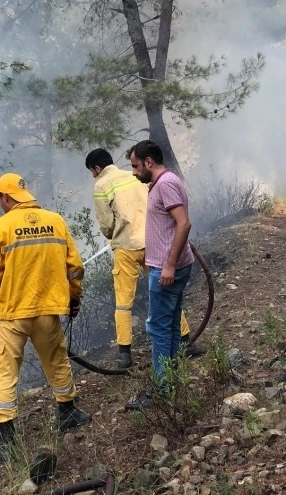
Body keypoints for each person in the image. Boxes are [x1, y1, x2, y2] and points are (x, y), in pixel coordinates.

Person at [0, 172, 92, 462]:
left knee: (6, 372)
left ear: (5, 197)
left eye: (0, 199)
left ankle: (5, 440)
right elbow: (75, 267)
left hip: (13, 314)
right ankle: (67, 412)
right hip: (48, 311)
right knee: (57, 361)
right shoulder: (55, 221)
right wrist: (73, 299)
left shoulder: (0, 228)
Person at [85, 148, 204, 369]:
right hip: (153, 243)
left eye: (93, 172)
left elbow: (106, 225)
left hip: (127, 247)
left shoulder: (101, 185)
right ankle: (185, 341)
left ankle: (124, 354)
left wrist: (114, 234)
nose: (93, 175)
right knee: (167, 295)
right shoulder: (135, 176)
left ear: (97, 168)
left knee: (123, 301)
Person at [124, 140, 196, 411]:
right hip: (169, 265)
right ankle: (172, 377)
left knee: (158, 328)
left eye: (135, 166)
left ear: (148, 162)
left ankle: (161, 389)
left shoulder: (164, 184)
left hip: (168, 270)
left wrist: (168, 265)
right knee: (172, 324)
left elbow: (183, 223)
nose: (133, 172)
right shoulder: (165, 182)